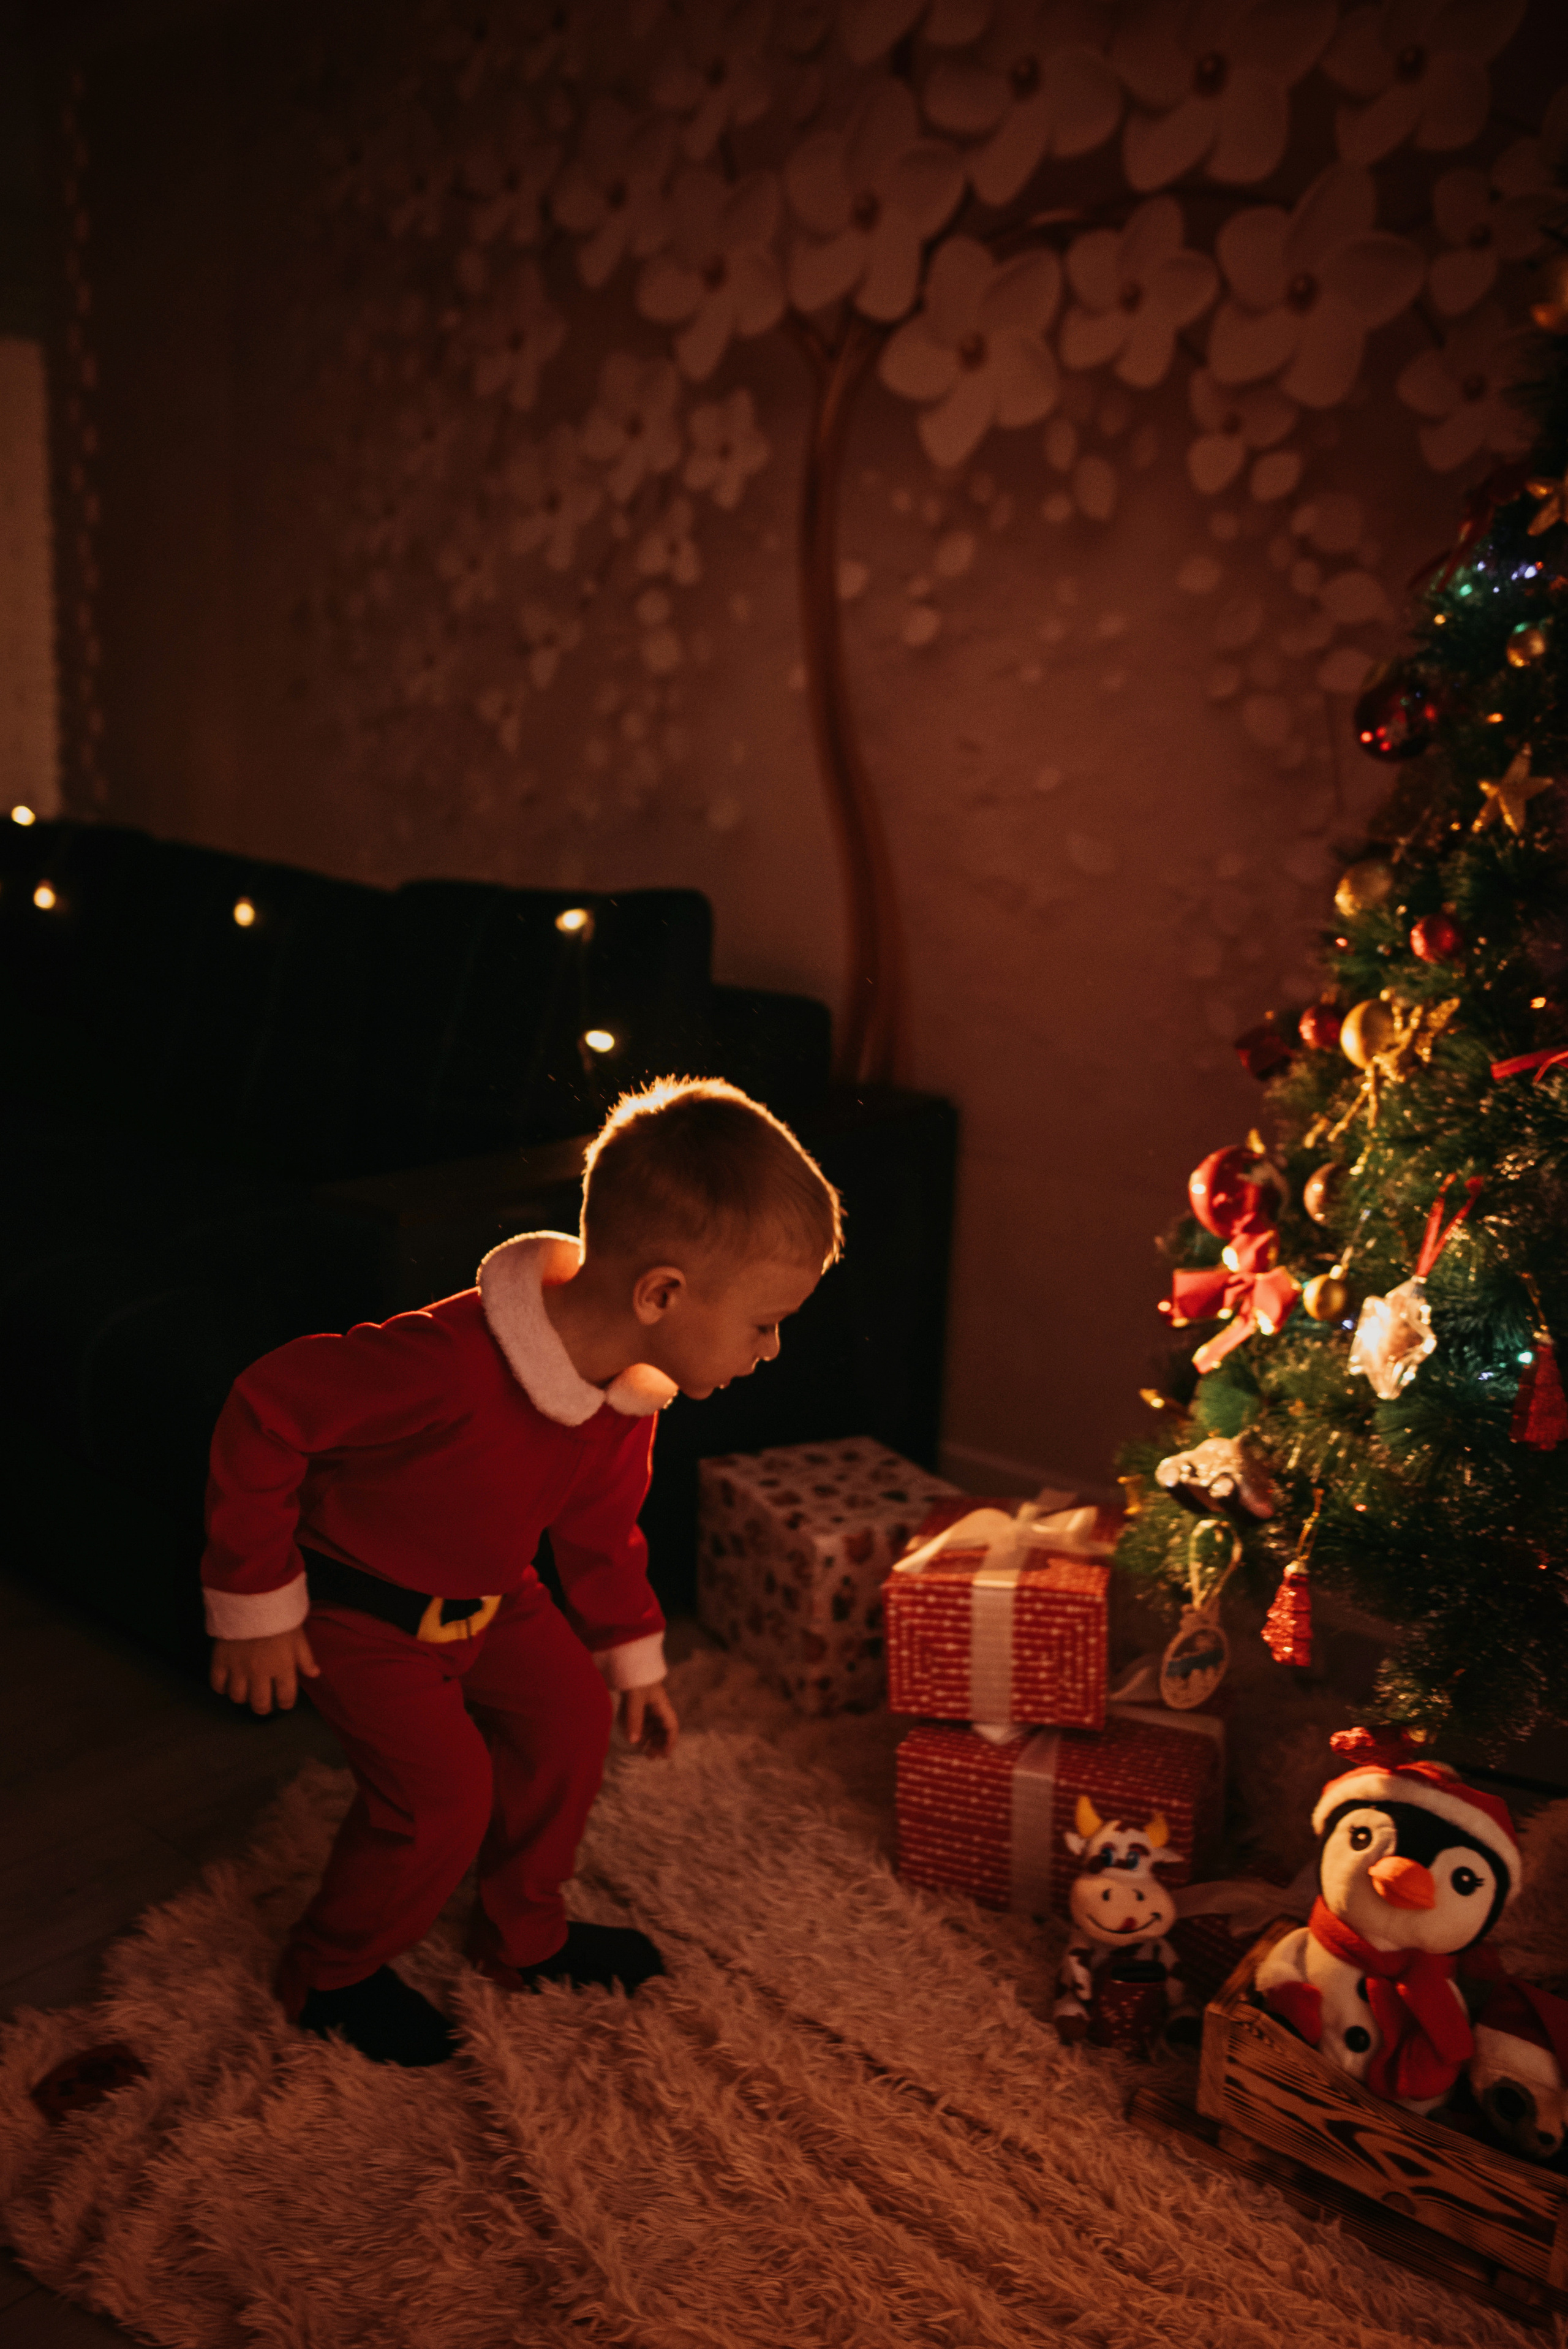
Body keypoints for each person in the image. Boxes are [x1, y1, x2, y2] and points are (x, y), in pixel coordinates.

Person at [202, 1076, 842, 2067]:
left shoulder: (631, 1395)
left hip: (494, 1598)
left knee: (571, 1718)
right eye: (763, 1322)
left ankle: (524, 1936)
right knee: (443, 1796)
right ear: (661, 1293)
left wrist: (635, 1655)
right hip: (362, 1607)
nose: (772, 1347)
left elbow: (599, 1525)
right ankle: (329, 1970)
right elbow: (269, 1406)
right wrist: (256, 1604)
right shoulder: (447, 1361)